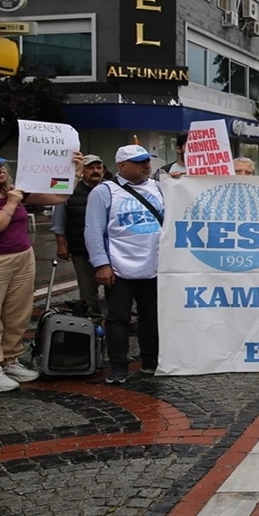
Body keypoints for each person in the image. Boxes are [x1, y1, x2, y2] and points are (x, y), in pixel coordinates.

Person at [0, 150, 73, 392]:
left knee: (18, 312)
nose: (1, 170)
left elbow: (59, 197)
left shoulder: (15, 190)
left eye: (1, 166)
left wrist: (71, 171)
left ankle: (10, 358)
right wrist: (12, 203)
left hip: (23, 255)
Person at [86, 145, 165, 384]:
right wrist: (101, 264)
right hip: (120, 267)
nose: (146, 166)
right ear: (122, 166)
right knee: (118, 318)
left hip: (155, 266)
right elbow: (93, 230)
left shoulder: (158, 187)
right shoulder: (104, 192)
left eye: (147, 161)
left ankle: (150, 360)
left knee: (151, 317)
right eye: (139, 162)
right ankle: (118, 365)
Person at [51, 155, 108, 319]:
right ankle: (93, 320)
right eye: (91, 168)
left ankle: (117, 320)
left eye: (99, 168)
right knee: (87, 289)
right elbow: (59, 221)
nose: (95, 171)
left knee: (116, 287)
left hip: (110, 249)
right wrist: (61, 244)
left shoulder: (112, 189)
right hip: (81, 249)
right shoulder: (68, 190)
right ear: (82, 171)